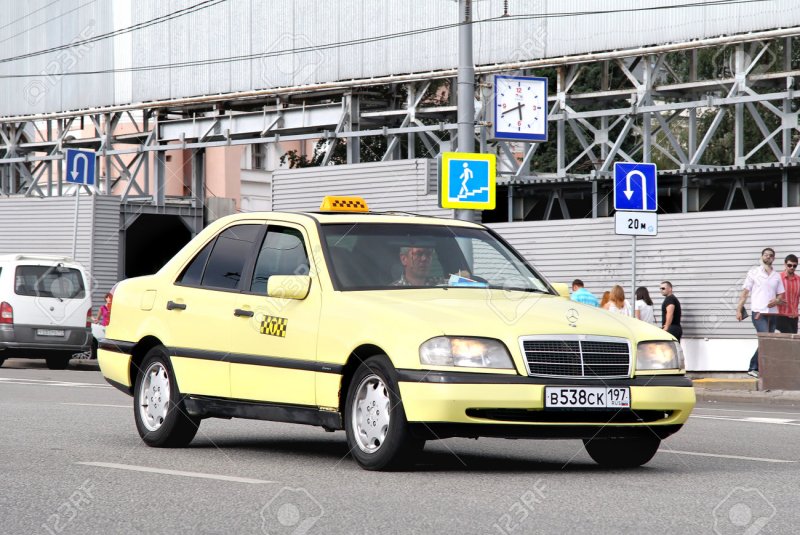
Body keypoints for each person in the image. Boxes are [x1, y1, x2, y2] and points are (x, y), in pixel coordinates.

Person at [736, 248, 785, 377]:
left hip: (772, 313)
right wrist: (738, 310)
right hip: (759, 313)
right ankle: (753, 367)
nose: (768, 257)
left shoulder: (777, 276)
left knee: (768, 341)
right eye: (766, 255)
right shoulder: (754, 273)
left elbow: (781, 295)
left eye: (770, 255)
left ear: (774, 258)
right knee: (765, 339)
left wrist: (777, 301)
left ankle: (759, 368)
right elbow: (745, 293)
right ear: (762, 256)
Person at [776, 254, 799, 334]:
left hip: (794, 316)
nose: (792, 267)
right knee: (790, 339)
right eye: (789, 265)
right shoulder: (778, 278)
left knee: (792, 341)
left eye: (794, 266)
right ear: (785, 264)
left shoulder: (798, 280)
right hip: (781, 316)